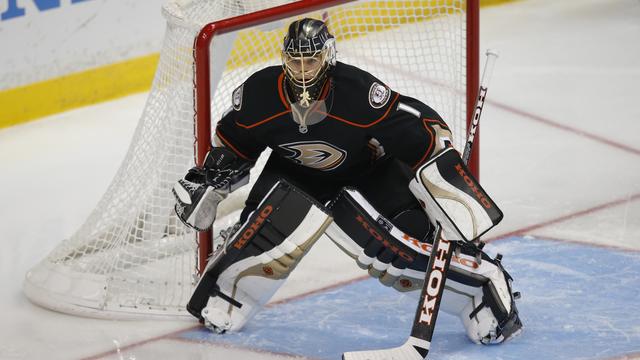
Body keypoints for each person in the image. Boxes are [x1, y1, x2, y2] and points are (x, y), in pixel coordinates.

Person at [172, 18, 522, 345]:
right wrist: (213, 180)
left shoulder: (360, 93)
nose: (304, 71)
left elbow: (416, 129)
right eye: (296, 62)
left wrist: (441, 162)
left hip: (367, 169)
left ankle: (482, 285)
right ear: (285, 60)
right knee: (259, 232)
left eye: (311, 61)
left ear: (328, 56)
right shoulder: (259, 95)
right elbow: (233, 145)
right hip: (294, 174)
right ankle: (228, 293)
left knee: (406, 249)